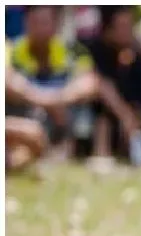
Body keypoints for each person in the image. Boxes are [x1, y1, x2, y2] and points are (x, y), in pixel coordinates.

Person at [8, 5, 97, 161]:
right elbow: (6, 80)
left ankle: (64, 148)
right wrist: (44, 100)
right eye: (34, 22)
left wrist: (58, 99)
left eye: (44, 22)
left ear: (57, 24)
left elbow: (90, 83)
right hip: (24, 117)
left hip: (60, 118)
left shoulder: (73, 50)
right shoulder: (11, 49)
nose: (40, 28)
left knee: (81, 104)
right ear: (25, 22)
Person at [85, 6, 141, 172]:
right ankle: (101, 155)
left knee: (137, 119)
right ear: (108, 29)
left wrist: (133, 118)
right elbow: (99, 84)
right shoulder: (95, 51)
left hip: (131, 119)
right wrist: (125, 115)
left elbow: (140, 99)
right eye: (122, 27)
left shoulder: (140, 60)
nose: (127, 32)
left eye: (130, 26)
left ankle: (135, 157)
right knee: (104, 119)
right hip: (96, 115)